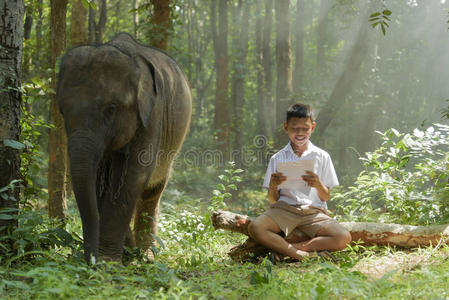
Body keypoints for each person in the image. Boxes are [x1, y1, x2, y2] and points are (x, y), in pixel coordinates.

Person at [245, 103, 351, 261]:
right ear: (286, 127)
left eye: (305, 129)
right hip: (284, 209)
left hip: (314, 212)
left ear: (312, 127)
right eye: (295, 129)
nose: (300, 133)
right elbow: (273, 200)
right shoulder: (278, 158)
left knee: (343, 237)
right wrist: (273, 185)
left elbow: (326, 197)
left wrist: (317, 184)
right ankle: (300, 255)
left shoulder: (322, 156)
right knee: (256, 227)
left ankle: (292, 249)